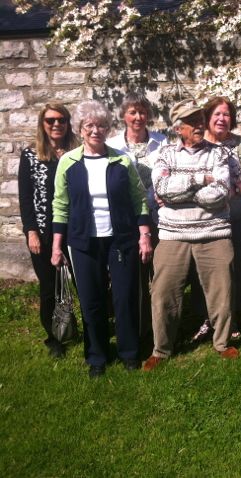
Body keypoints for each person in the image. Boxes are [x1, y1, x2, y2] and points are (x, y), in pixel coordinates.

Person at [51, 100, 153, 378]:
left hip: (120, 239)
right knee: (91, 300)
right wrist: (57, 245)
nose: (96, 130)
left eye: (101, 126)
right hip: (83, 241)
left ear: (108, 129)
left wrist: (144, 234)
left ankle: (129, 352)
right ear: (80, 129)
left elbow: (138, 200)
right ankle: (97, 355)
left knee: (124, 298)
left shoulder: (121, 160)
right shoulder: (67, 162)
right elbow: (60, 205)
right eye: (89, 126)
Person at [143, 99, 241, 371]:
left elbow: (220, 193)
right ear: (178, 128)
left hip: (214, 232)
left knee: (222, 291)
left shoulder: (219, 153)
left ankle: (222, 343)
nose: (199, 124)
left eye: (200, 118)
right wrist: (200, 180)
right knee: (163, 293)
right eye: (192, 121)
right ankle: (161, 349)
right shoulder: (164, 154)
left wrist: (182, 194)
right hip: (173, 235)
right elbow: (162, 189)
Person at [106, 92, 167, 349]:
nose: (138, 117)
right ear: (124, 116)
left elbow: (168, 172)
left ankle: (159, 328)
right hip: (127, 219)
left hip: (157, 214)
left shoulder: (161, 142)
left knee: (160, 274)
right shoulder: (111, 145)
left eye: (142, 112)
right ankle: (138, 330)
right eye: (133, 112)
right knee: (134, 276)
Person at [18, 103, 79, 358]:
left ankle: (90, 327)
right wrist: (30, 231)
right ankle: (53, 337)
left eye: (61, 120)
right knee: (49, 287)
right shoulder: (31, 155)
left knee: (83, 283)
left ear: (68, 123)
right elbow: (25, 197)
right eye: (51, 120)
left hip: (75, 230)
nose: (56, 125)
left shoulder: (77, 153)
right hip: (43, 232)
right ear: (42, 124)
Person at [199, 96, 241, 339]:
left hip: (236, 213)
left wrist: (237, 189)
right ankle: (207, 317)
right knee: (207, 266)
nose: (222, 119)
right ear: (208, 118)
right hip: (205, 215)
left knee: (235, 264)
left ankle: (235, 315)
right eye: (217, 114)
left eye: (227, 114)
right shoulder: (197, 143)